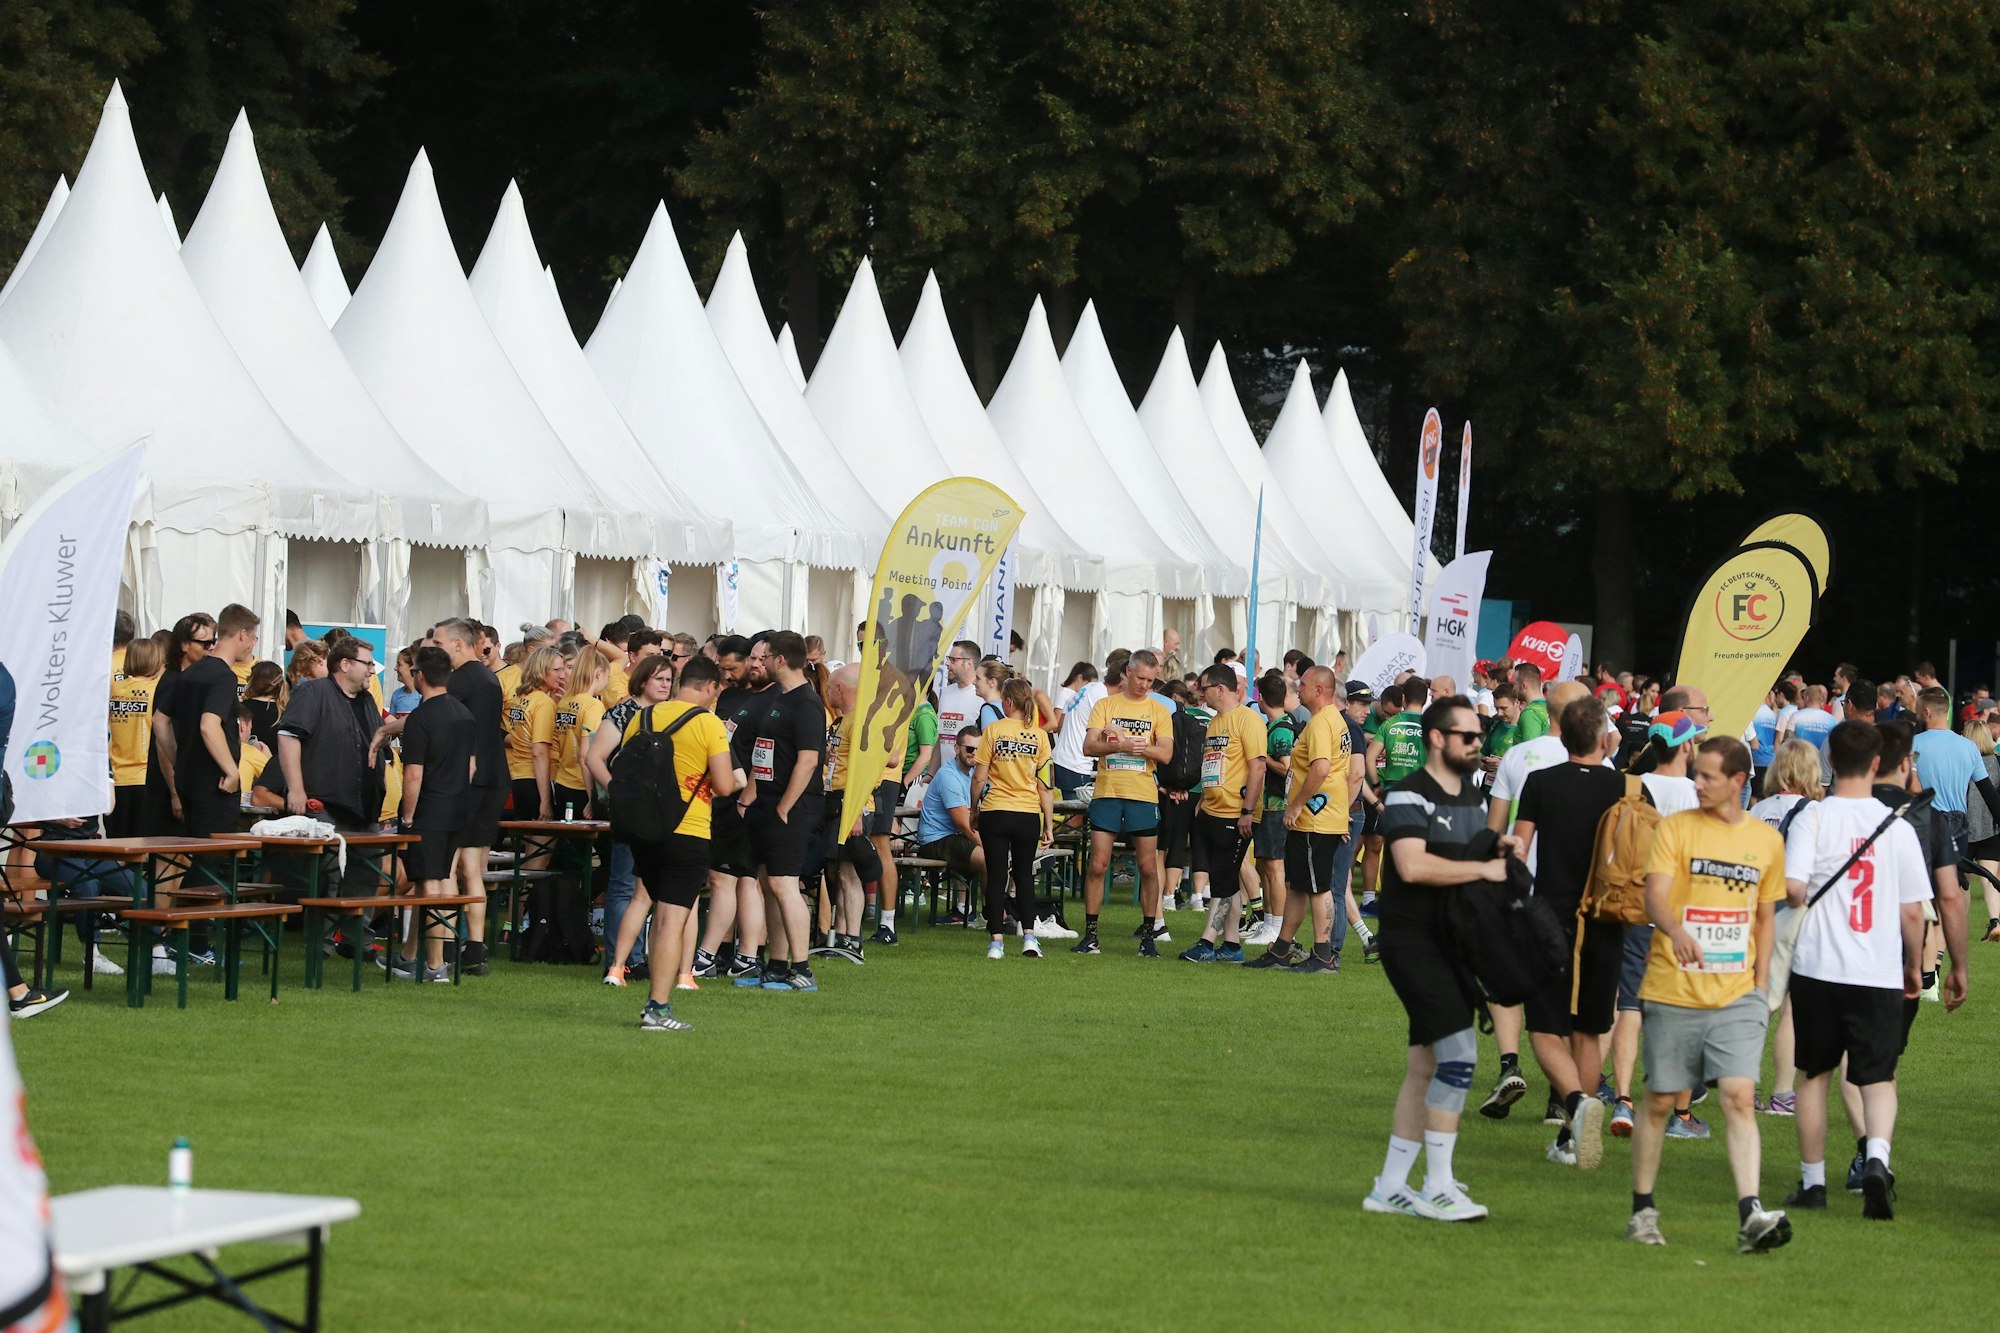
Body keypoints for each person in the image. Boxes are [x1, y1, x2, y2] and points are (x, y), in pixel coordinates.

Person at [1625, 736, 1790, 1252]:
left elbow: (1766, 917)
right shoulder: (1675, 828)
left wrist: (1761, 985)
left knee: (1739, 1096)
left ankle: (1750, 1214)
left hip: (1738, 993)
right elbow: (1654, 893)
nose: (1697, 784)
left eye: (1708, 777)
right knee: (1656, 1103)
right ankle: (1643, 1210)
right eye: (1696, 774)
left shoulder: (1766, 841)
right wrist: (1675, 930)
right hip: (1673, 988)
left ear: (1739, 782)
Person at [1363, 695, 1514, 1223]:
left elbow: (1466, 860)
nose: (1479, 744)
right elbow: (1410, 865)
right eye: (1468, 737)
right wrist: (1484, 872)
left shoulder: (1471, 797)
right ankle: (1440, 1184)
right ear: (1436, 738)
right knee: (1459, 1057)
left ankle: (1389, 1186)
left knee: (1424, 1065)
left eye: (1480, 737)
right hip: (1412, 942)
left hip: (1451, 940)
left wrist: (1498, 853)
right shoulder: (1407, 793)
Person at [1776, 722, 1928, 1219]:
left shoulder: (1812, 818)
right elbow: (1912, 912)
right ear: (1878, 762)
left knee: (1814, 1075)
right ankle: (1877, 1159)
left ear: (1831, 764)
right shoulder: (1899, 827)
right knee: (1877, 1077)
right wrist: (1912, 966)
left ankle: (1813, 1181)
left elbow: (1795, 888)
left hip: (1818, 967)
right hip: (1878, 970)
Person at [1511, 693, 1624, 1169]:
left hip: (1552, 914)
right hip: (1605, 915)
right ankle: (1571, 1133)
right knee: (1590, 1028)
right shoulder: (1624, 787)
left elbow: (1520, 846)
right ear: (1602, 737)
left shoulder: (1541, 782)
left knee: (1542, 1024)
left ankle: (1577, 1104)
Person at [619, 655, 737, 1031]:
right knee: (673, 919)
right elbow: (722, 784)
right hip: (687, 830)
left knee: (658, 914)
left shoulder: (644, 716)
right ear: (710, 687)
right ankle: (658, 1006)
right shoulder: (708, 723)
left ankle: (656, 998)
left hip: (644, 829)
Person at [278, 636, 391, 956]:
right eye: (367, 664)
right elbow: (288, 737)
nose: (372, 670)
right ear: (345, 664)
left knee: (366, 876)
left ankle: (358, 942)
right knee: (327, 876)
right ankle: (321, 945)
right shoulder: (313, 693)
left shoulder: (367, 700)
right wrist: (296, 789)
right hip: (325, 802)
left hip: (365, 805)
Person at [1248, 667, 1355, 972]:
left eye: (1303, 685)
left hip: (1314, 819)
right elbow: (1341, 771)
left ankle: (1323, 954)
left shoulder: (1322, 722)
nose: (1298, 689)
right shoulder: (1335, 720)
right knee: (1297, 885)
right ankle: (1281, 949)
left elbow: (1321, 769)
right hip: (1323, 816)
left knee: (1317, 887)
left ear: (1320, 690)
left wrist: (1295, 805)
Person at [736, 631, 825, 992]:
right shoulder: (781, 698)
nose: (760, 662)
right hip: (767, 803)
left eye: (765, 656)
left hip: (794, 806)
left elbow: (808, 761)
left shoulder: (806, 702)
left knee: (785, 883)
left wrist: (785, 807)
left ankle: (802, 968)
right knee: (768, 883)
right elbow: (765, 754)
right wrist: (750, 800)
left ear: (781, 660)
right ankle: (775, 964)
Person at [1744, 739, 1826, 1122]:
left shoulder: (1757, 809)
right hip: (1792, 913)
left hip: (1751, 912)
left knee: (1753, 1001)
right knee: (1789, 1008)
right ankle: (1781, 1094)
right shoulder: (1814, 813)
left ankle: (1740, 1084)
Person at [1080, 650, 1176, 957]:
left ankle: (1149, 934)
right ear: (1128, 673)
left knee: (1148, 866)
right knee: (1099, 863)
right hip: (1107, 792)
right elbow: (1088, 746)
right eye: (1141, 678)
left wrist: (1141, 747)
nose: (1146, 685)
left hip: (1142, 795)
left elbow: (1166, 754)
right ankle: (1091, 934)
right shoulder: (1105, 705)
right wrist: (1119, 744)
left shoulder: (1158, 710)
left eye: (1151, 680)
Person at [393, 646, 475, 982]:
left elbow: (413, 774)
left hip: (429, 809)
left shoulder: (421, 719)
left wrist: (409, 816)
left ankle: (435, 965)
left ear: (420, 675)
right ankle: (415, 958)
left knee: (429, 886)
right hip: (459, 807)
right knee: (446, 882)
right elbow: (471, 765)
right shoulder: (465, 715)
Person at [595, 654, 677, 984]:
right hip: (631, 811)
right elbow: (594, 757)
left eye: (669, 679)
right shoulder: (624, 712)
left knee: (646, 888)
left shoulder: (668, 714)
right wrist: (618, 791)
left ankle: (637, 956)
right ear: (642, 679)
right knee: (624, 886)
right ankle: (620, 959)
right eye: (659, 678)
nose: (665, 684)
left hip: (661, 813)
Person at [1178, 665, 1267, 963]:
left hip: (1235, 813)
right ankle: (1231, 945)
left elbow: (1258, 767)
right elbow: (1213, 763)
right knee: (1223, 882)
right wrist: (1203, 797)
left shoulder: (1248, 721)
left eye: (1203, 688)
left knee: (1225, 880)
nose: (1200, 694)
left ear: (1220, 688)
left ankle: (1207, 941)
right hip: (1211, 810)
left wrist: (1247, 811)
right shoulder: (1216, 722)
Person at [433, 619, 506, 975]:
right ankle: (475, 948)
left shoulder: (461, 680)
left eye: (438, 642)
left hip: (467, 780)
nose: (433, 648)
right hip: (493, 779)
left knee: (448, 862)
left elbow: (438, 719)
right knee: (473, 867)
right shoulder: (490, 678)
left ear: (459, 645)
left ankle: (444, 946)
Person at [705, 636, 773, 975]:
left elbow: (766, 756)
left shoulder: (771, 699)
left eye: (731, 667)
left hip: (749, 801)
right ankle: (738, 953)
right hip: (724, 796)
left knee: (739, 877)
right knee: (733, 877)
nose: (726, 674)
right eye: (721, 668)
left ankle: (746, 953)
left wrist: (749, 797)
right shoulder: (729, 696)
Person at [973, 679, 1055, 959]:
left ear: (1007, 701)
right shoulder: (1040, 736)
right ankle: (1029, 937)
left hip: (995, 810)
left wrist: (974, 808)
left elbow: (979, 776)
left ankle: (996, 942)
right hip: (1027, 813)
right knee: (1024, 877)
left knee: (996, 878)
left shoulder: (994, 730)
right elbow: (1046, 785)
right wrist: (1050, 823)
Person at [504, 645, 569, 825]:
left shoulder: (520, 698)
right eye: (557, 670)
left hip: (519, 778)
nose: (562, 675)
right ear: (541, 671)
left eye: (563, 668)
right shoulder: (543, 703)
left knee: (531, 842)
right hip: (537, 781)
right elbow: (539, 752)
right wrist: (546, 800)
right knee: (544, 843)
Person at [919, 725, 988, 893]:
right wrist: (989, 847)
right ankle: (996, 914)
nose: (974, 753)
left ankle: (995, 910)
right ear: (957, 748)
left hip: (953, 836)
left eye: (979, 749)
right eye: (970, 748)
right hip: (935, 840)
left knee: (1006, 851)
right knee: (990, 859)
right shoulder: (948, 776)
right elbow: (964, 824)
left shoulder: (973, 774)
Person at [107, 632, 162, 837]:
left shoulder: (113, 688)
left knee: (116, 845)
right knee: (142, 848)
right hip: (146, 777)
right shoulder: (156, 690)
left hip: (116, 777)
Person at [933, 640, 982, 769]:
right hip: (945, 775)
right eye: (948, 659)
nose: (947, 664)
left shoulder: (980, 696)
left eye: (953, 660)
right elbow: (940, 738)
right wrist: (931, 773)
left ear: (969, 663)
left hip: (969, 780)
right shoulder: (946, 692)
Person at [1513, 662, 1551, 744]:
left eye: (1515, 684)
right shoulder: (1552, 709)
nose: (1513, 688)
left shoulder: (1530, 713)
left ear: (1523, 686)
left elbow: (1530, 753)